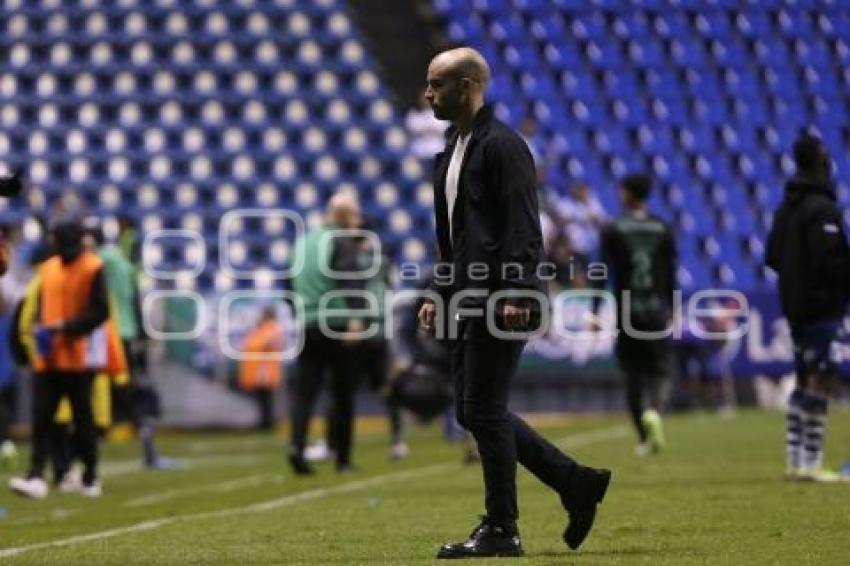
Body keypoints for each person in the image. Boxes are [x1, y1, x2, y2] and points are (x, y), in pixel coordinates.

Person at [419, 47, 611, 559]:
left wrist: (518, 292)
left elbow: (525, 225)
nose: (428, 94)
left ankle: (503, 528)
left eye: (437, 84)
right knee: (472, 409)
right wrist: (439, 292)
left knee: (481, 408)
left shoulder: (504, 146)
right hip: (468, 294)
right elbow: (454, 236)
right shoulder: (453, 147)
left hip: (500, 296)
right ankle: (575, 482)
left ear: (469, 86)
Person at [766, 133, 850, 482]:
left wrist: (794, 284)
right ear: (819, 160)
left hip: (795, 307)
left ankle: (796, 460)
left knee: (803, 378)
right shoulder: (822, 208)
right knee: (821, 379)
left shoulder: (788, 206)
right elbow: (832, 261)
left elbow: (771, 256)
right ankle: (811, 463)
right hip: (822, 308)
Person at [8, 219, 108, 498]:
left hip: (78, 357)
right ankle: (37, 474)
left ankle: (90, 475)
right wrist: (39, 330)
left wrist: (67, 327)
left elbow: (101, 311)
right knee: (42, 418)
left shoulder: (93, 268)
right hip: (49, 356)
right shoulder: (48, 270)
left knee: (83, 419)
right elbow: (40, 306)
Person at [594, 174, 677, 456]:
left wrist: (594, 309)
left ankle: (643, 437)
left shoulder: (613, 228)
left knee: (633, 374)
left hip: (628, 310)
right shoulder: (663, 228)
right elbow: (671, 273)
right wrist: (673, 307)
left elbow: (601, 271)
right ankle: (655, 410)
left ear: (628, 193)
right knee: (661, 370)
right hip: (655, 309)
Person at [288, 191, 367, 475]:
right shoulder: (340, 242)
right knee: (342, 393)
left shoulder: (302, 242)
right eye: (355, 213)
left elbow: (287, 285)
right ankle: (342, 458)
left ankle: (296, 447)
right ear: (344, 214)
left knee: (304, 393)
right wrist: (357, 318)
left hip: (308, 324)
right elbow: (351, 281)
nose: (358, 220)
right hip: (336, 322)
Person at [239, 306, 284, 431]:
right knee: (262, 398)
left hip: (265, 369)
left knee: (266, 398)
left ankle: (267, 423)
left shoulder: (272, 328)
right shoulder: (262, 328)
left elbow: (267, 344)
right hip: (261, 368)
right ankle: (264, 421)